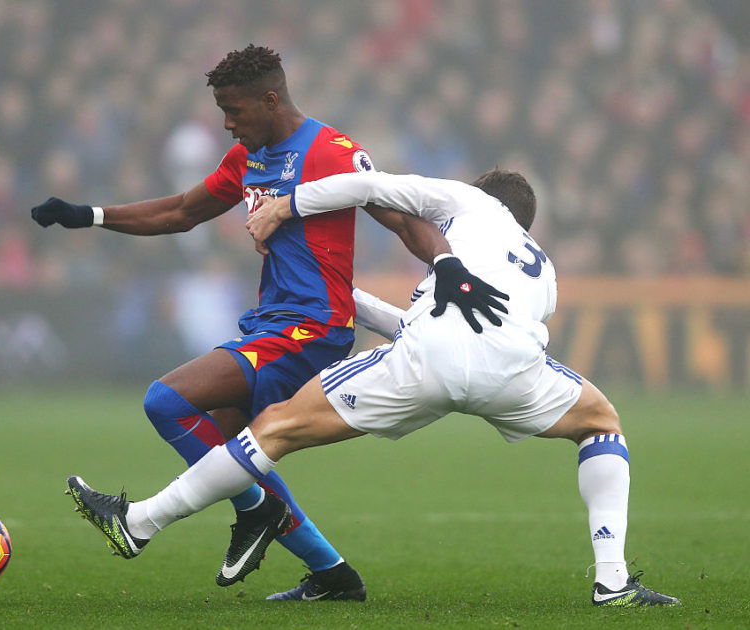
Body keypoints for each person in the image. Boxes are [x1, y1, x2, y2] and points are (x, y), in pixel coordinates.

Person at [66, 168, 681, 607]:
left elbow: (367, 185)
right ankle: (613, 581)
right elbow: (461, 330)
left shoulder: (468, 203)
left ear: (480, 193)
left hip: (426, 362)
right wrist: (351, 299)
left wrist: (286, 206)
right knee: (602, 423)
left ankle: (141, 522)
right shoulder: (542, 267)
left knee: (272, 430)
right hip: (513, 369)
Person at [33, 45, 503, 600]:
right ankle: (333, 576)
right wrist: (90, 216)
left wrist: (446, 264)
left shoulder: (333, 151)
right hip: (271, 323)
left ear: (271, 100)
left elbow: (400, 217)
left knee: (166, 401)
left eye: (234, 111)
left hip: (312, 328)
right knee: (232, 454)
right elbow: (181, 211)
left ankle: (243, 512)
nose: (227, 125)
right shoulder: (247, 158)